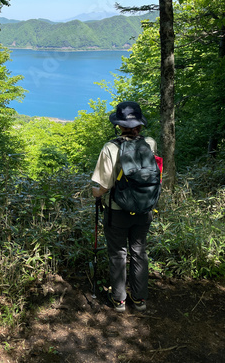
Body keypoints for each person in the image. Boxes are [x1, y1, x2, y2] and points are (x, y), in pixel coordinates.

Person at [91, 101, 157, 313]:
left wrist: (95, 194)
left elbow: (103, 185)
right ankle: (139, 300)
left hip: (117, 211)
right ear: (140, 123)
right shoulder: (150, 143)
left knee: (118, 253)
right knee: (139, 251)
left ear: (119, 125)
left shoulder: (111, 148)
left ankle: (119, 300)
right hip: (145, 208)